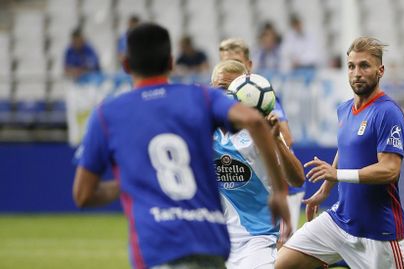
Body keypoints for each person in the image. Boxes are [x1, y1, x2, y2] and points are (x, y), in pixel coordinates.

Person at [72, 23, 291, 269]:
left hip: (156, 246)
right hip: (208, 240)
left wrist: (135, 181)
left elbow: (83, 195)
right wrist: (280, 194)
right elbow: (254, 121)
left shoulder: (107, 114)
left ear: (125, 64)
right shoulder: (201, 98)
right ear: (171, 62)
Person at [275, 37, 404, 269]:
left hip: (379, 232)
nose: (357, 72)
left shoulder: (388, 113)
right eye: (351, 66)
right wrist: (325, 190)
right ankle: (337, 258)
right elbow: (345, 149)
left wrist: (337, 176)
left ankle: (341, 261)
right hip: (340, 221)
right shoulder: (345, 109)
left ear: (380, 70)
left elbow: (390, 170)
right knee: (281, 264)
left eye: (364, 66)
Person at [210, 60, 304, 269]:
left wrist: (277, 141)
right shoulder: (206, 130)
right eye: (220, 89)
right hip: (217, 238)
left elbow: (297, 179)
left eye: (231, 89)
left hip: (257, 238)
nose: (226, 95)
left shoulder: (262, 131)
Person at [218, 37, 306, 237]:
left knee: (283, 251)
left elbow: (287, 139)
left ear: (248, 66)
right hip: (247, 195)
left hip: (280, 185)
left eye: (237, 63)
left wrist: (264, 132)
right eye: (224, 62)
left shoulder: (261, 97)